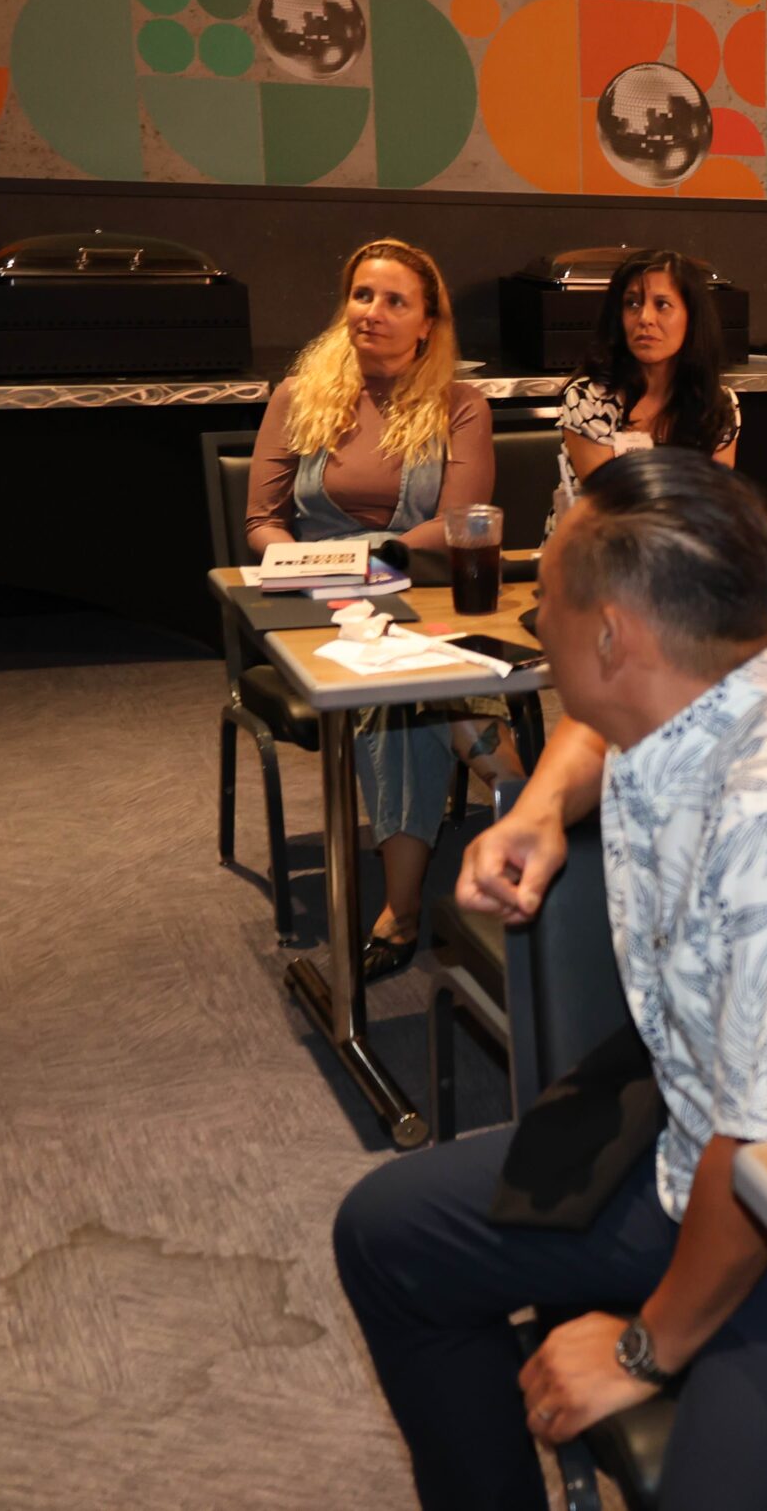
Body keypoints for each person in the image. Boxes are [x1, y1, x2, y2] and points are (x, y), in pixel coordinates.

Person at [333, 452, 767, 1511]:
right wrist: (540, 808)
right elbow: (594, 721)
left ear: (611, 637)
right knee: (389, 1236)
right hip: (739, 1133)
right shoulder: (707, 691)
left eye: (547, 608)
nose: (537, 626)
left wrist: (640, 1349)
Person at [246, 237, 519, 978]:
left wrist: (374, 567)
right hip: (314, 603)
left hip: (416, 591)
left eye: (395, 301)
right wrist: (311, 571)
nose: (372, 311)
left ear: (428, 323)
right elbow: (262, 521)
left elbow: (460, 520)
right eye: (362, 295)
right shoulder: (298, 395)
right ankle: (527, 804)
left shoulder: (460, 405)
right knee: (402, 682)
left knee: (405, 685)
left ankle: (402, 910)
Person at [546, 248, 741, 537]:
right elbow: (614, 505)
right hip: (595, 549)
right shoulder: (589, 398)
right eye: (632, 304)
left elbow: (716, 503)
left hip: (683, 551)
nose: (645, 318)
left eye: (662, 305)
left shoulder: (719, 404)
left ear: (692, 318)